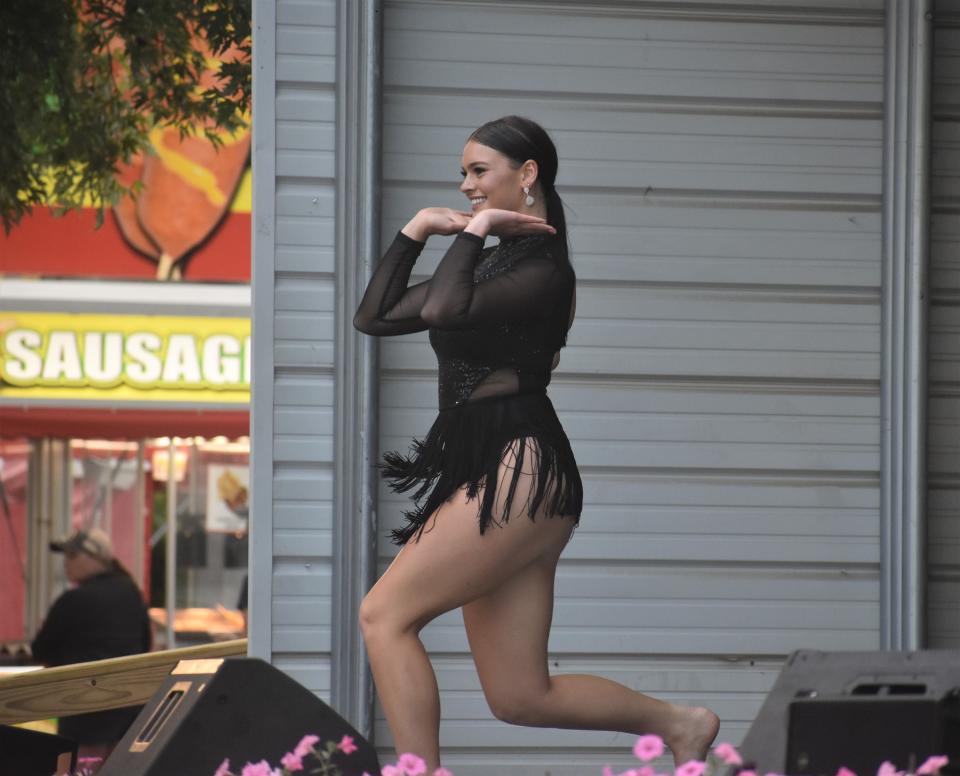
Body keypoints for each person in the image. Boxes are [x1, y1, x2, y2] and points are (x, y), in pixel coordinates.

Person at [353, 115, 720, 771]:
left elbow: (441, 311)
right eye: (462, 174)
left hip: (518, 466)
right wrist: (415, 230)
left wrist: (477, 228)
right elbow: (375, 316)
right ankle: (681, 723)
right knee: (521, 696)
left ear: (528, 176)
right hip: (494, 467)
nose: (465, 186)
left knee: (384, 616)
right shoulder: (493, 266)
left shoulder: (547, 271)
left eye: (478, 171)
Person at [31, 527, 152, 765]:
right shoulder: (131, 592)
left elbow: (41, 649)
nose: (66, 563)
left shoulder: (75, 600)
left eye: (72, 556)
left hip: (83, 713)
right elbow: (146, 643)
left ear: (95, 558)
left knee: (80, 769)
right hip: (128, 713)